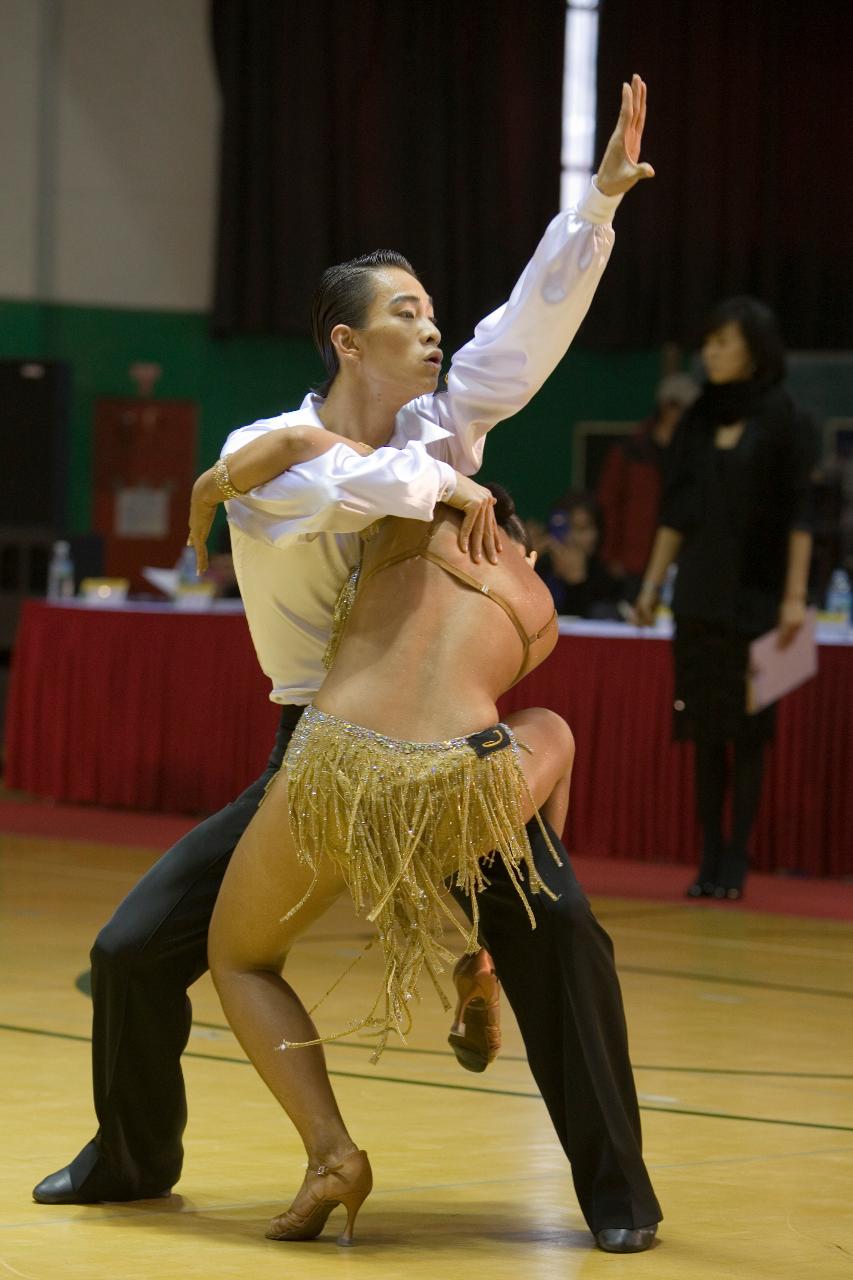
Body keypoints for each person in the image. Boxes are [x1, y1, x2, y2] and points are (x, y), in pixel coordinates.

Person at [35, 76, 660, 1253]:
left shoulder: (439, 425)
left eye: (435, 310)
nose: (434, 325)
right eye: (409, 310)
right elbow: (349, 487)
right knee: (129, 952)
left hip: (444, 747)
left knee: (565, 932)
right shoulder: (264, 459)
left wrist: (596, 211)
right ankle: (132, 1155)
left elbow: (523, 334)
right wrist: (450, 480)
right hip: (313, 753)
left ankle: (618, 1195)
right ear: (346, 336)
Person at [634, 297, 818, 900]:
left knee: (752, 732)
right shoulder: (696, 420)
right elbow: (676, 511)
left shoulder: (789, 419)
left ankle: (736, 859)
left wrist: (796, 598)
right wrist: (652, 585)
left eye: (722, 342)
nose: (708, 352)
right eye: (706, 342)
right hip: (699, 596)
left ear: (754, 349)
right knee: (705, 731)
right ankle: (708, 857)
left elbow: (801, 516)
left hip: (764, 599)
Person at [597, 372, 699, 599]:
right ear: (663, 405)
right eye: (674, 404)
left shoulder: (697, 451)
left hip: (682, 559)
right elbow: (610, 503)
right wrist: (612, 553)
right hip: (635, 557)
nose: (678, 412)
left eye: (686, 408)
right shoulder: (630, 450)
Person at [537, 491, 622, 618]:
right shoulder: (537, 572)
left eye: (582, 528)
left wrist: (577, 585)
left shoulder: (608, 582)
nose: (572, 539)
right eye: (564, 529)